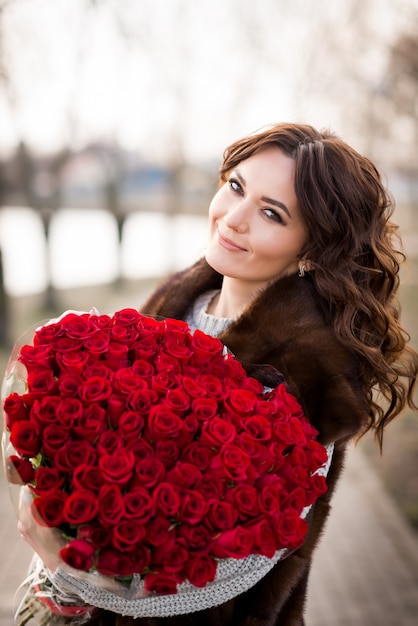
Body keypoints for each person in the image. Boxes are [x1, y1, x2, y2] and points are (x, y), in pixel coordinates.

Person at [16, 122, 418, 626]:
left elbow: (235, 564)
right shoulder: (176, 299)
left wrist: (69, 575)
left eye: (272, 213)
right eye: (236, 187)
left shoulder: (306, 374)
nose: (234, 218)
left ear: (313, 248)